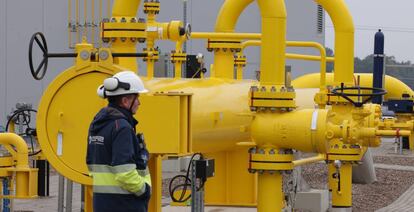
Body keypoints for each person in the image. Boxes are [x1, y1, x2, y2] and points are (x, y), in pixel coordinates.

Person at [86, 71, 151, 212]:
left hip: (102, 203)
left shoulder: (97, 124)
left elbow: (91, 166)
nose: (139, 102)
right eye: (136, 97)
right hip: (125, 204)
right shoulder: (122, 127)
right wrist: (144, 190)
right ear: (125, 101)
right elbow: (125, 173)